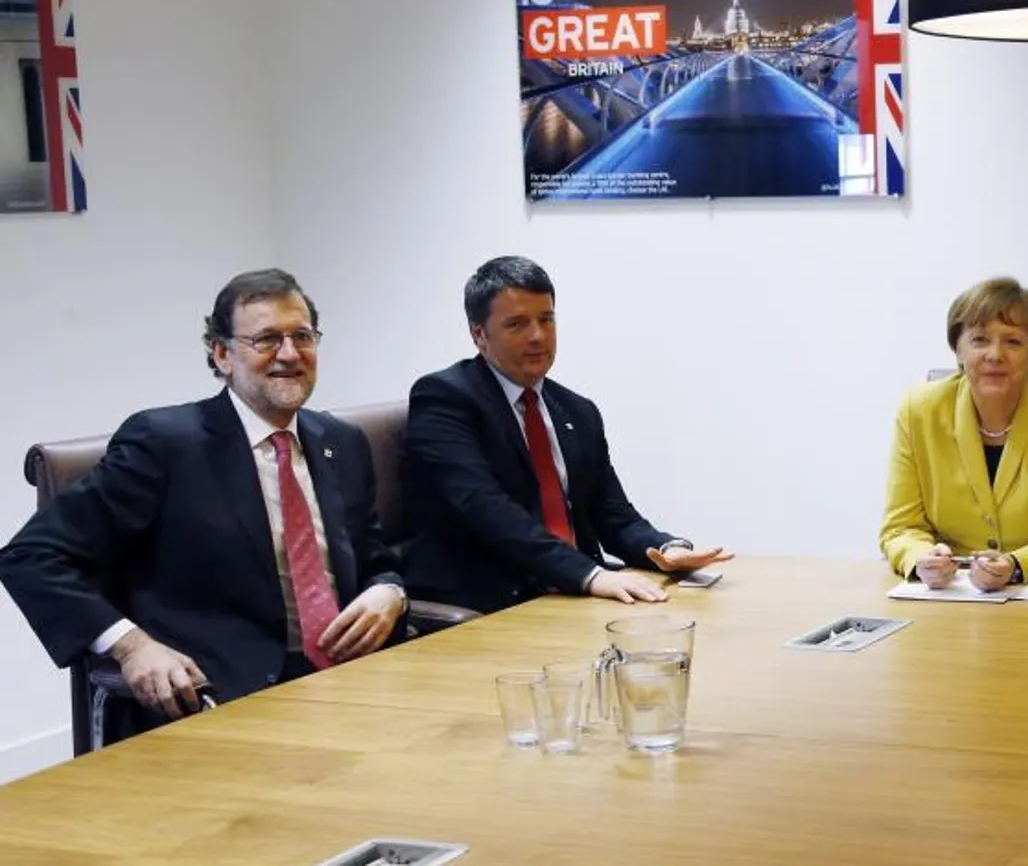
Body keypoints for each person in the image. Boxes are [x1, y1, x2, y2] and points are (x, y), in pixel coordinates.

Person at [0, 269, 406, 725]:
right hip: (228, 695)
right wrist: (133, 646)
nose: (290, 354)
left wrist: (388, 592)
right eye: (267, 339)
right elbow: (30, 556)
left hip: (359, 681)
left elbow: (375, 559)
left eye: (302, 336)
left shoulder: (340, 441)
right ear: (222, 353)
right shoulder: (165, 444)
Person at [401, 256, 730, 613]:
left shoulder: (576, 409)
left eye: (546, 319)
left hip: (568, 590)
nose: (538, 336)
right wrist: (589, 575)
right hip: (492, 601)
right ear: (479, 334)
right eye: (517, 324)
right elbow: (485, 510)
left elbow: (614, 515)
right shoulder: (445, 398)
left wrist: (667, 550)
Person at [880, 277, 1028, 591]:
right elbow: (900, 528)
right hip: (950, 593)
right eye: (980, 340)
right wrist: (921, 559)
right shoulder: (918, 411)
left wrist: (1016, 565)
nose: (995, 355)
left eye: (1013, 342)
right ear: (958, 350)